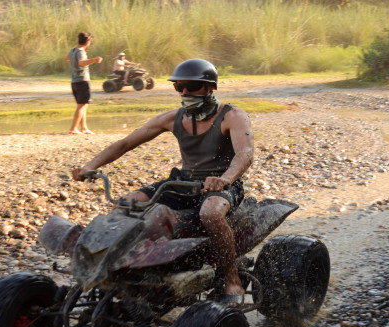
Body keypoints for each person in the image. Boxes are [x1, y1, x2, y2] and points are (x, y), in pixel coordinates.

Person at [71, 59, 254, 304]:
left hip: (222, 185)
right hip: (183, 183)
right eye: (180, 87)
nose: (185, 93)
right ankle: (122, 270)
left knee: (210, 213)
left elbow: (245, 154)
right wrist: (90, 166)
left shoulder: (232, 116)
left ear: (211, 87)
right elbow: (125, 143)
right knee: (127, 204)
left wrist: (225, 179)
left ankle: (232, 280)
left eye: (192, 86)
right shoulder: (173, 118)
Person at [64, 32, 103, 135]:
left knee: (83, 105)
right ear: (87, 41)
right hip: (82, 81)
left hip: (74, 82)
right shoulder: (81, 52)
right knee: (82, 106)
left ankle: (84, 128)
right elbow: (81, 63)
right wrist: (94, 60)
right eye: (90, 42)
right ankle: (73, 128)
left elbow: (66, 58)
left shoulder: (72, 51)